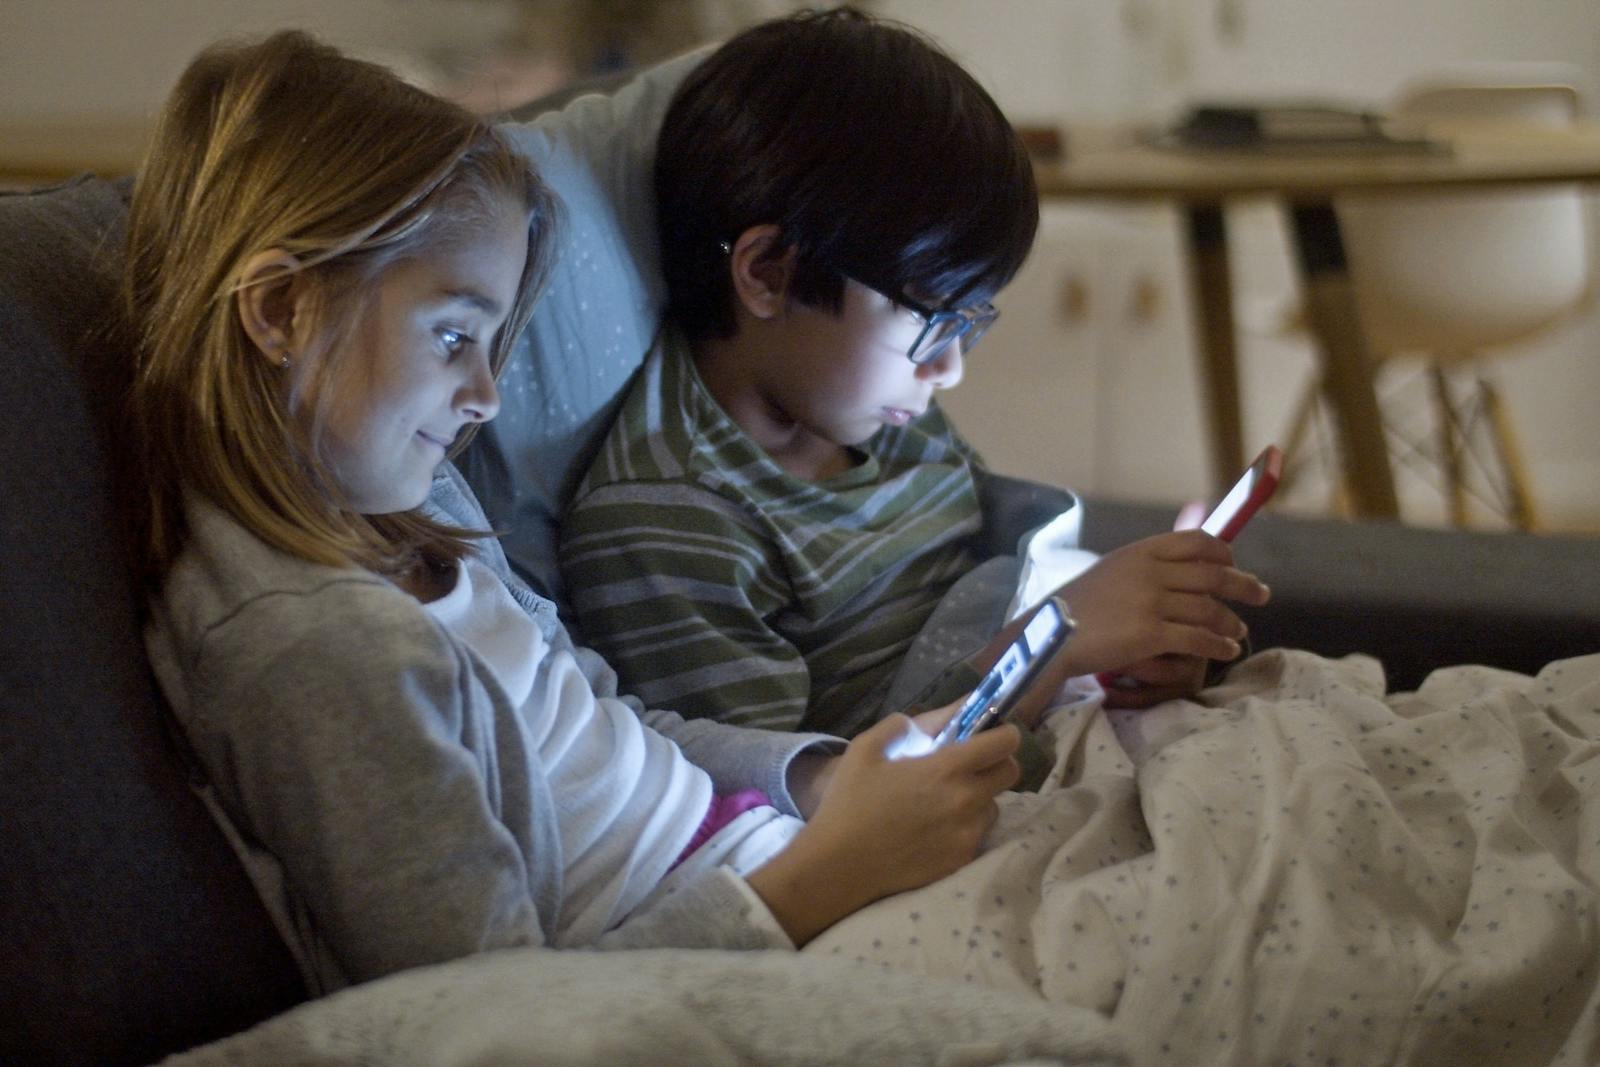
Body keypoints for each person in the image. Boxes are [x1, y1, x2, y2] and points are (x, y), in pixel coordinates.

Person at [127, 29, 1022, 994]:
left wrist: (820, 779)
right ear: (279, 309)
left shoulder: (414, 505)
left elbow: (610, 730)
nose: (487, 397)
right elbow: (494, 1006)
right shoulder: (315, 649)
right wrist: (827, 875)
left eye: (494, 345)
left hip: (759, 855)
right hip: (727, 948)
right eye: (454, 336)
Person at [558, 7, 1270, 744]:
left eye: (968, 324)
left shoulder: (870, 412)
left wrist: (1125, 658)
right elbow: (806, 797)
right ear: (769, 272)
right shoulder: (671, 526)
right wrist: (1058, 639)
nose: (949, 369)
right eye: (932, 319)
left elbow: (973, 596)